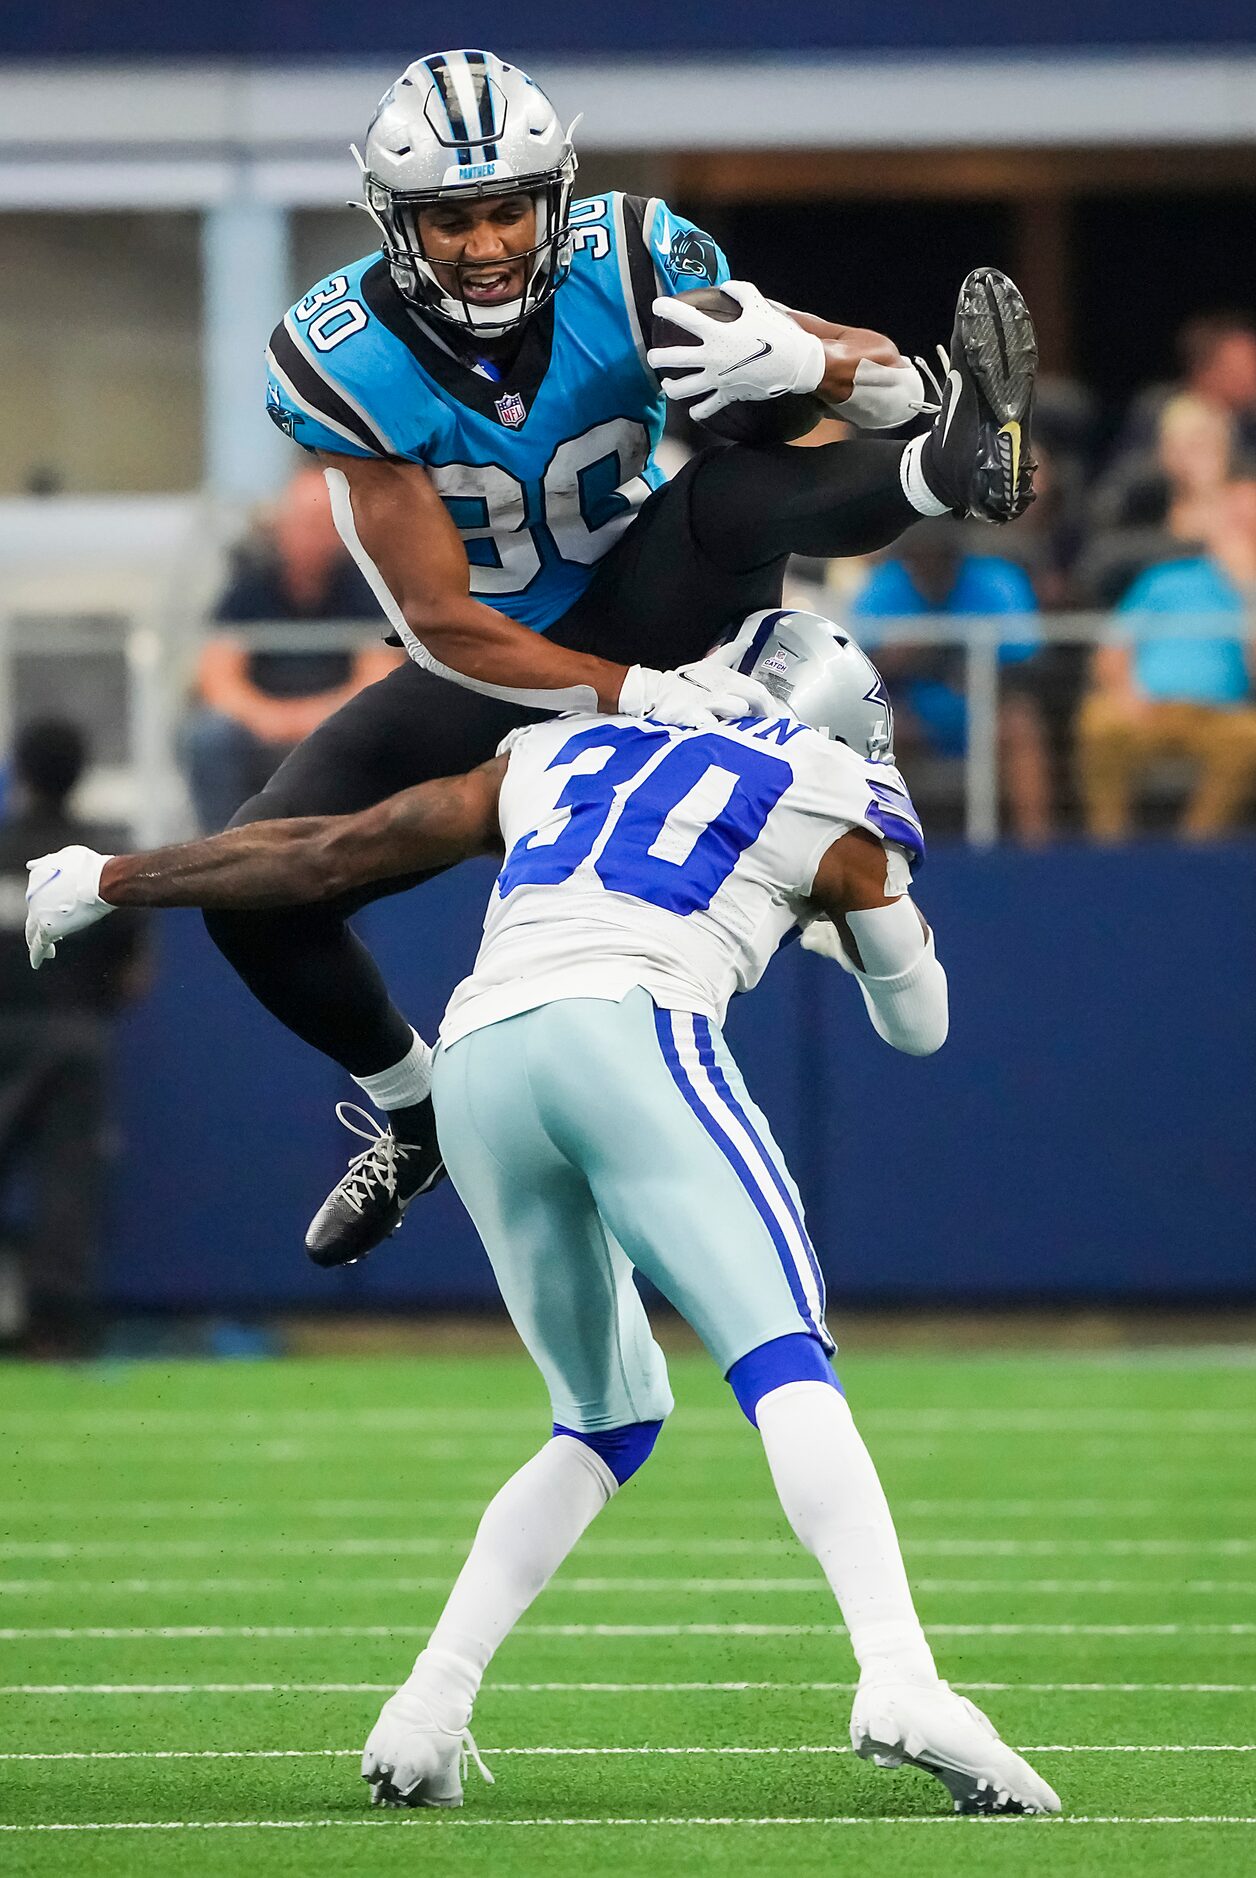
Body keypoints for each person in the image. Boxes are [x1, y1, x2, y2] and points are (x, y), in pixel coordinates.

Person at [25, 610, 1059, 1818]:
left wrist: (115, 876)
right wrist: (865, 930)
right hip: (631, 1028)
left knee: (606, 1416)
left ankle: (425, 1712)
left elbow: (325, 854)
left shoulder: (559, 750)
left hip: (474, 1060)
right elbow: (917, 1023)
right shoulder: (831, 787)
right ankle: (898, 1674)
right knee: (783, 1359)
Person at [228, 46, 1037, 1269]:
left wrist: (806, 362)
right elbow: (442, 622)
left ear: (551, 200)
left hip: (658, 596)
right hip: (488, 663)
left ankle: (951, 473)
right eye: (452, 218)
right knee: (253, 886)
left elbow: (887, 374)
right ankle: (414, 1117)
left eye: (507, 208)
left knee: (732, 466)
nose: (487, 243)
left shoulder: (634, 252)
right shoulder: (342, 355)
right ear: (399, 222)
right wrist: (638, 698)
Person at [0, 721, 147, 1354]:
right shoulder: (102, 858)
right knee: (69, 1181)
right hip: (75, 1031)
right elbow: (136, 971)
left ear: (22, 771)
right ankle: (55, 1327)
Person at [181, 467, 401, 831]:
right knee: (209, 736)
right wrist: (268, 718)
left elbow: (379, 677)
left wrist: (315, 719)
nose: (309, 535)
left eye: (321, 522)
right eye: (300, 521)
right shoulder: (249, 585)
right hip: (258, 722)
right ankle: (220, 851)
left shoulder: (366, 587)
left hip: (341, 719)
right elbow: (217, 677)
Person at [850, 519, 1053, 841]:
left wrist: (975, 670)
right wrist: (895, 661)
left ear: (958, 554)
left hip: (985, 709)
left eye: (940, 556)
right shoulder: (883, 586)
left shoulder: (997, 580)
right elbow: (856, 668)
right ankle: (887, 845)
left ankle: (1036, 847)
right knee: (877, 733)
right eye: (919, 556)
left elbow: (1027, 656)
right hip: (915, 710)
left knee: (1020, 725)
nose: (930, 565)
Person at [1076, 478, 1256, 840]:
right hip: (1146, 708)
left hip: (1221, 718)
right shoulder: (1164, 579)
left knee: (1249, 738)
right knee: (1099, 722)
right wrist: (1128, 696)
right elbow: (1111, 651)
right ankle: (1109, 849)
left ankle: (1195, 849)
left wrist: (1247, 590)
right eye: (1236, 519)